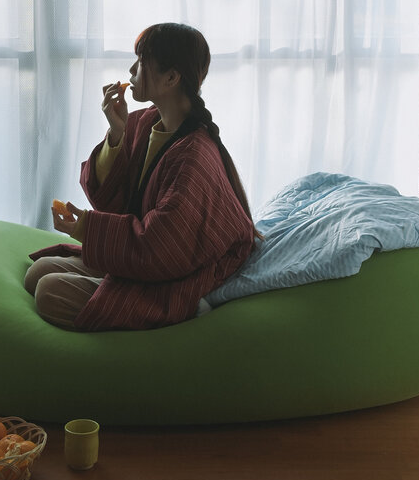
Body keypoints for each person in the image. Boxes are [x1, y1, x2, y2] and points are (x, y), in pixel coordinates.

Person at [24, 22, 256, 331]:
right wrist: (117, 133)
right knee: (38, 272)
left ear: (171, 78)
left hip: (178, 277)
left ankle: (176, 310)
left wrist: (86, 228)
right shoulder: (145, 123)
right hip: (149, 262)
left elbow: (162, 247)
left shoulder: (194, 155)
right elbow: (116, 199)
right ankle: (108, 286)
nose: (131, 70)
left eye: (142, 62)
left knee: (49, 291)